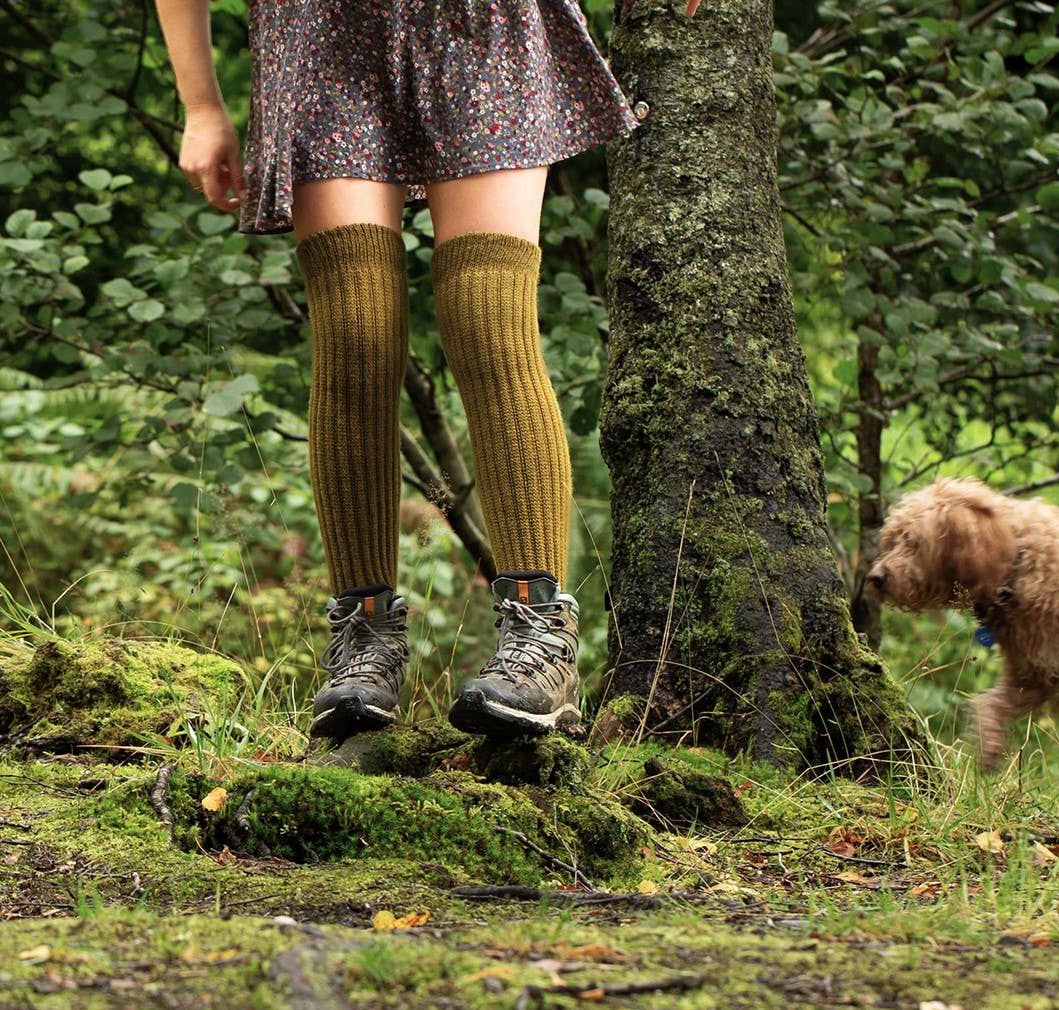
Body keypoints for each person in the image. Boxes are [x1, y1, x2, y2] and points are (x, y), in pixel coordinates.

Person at [155, 0, 702, 742]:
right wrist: (200, 102)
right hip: (320, 30)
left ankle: (540, 639)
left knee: (487, 320)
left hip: (483, 21)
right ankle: (364, 635)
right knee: (354, 333)